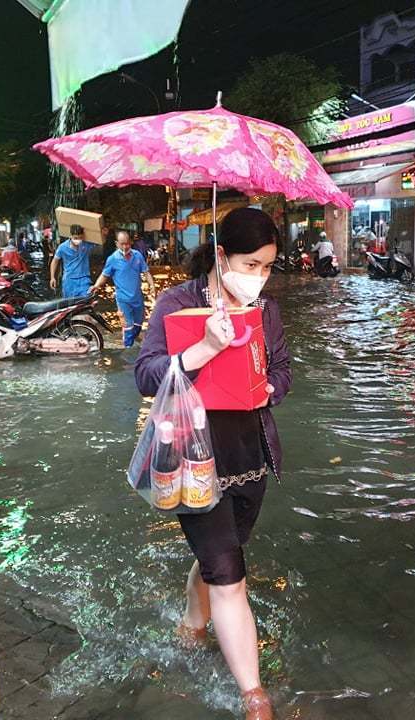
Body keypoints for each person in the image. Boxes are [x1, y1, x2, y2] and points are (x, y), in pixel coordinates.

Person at [133, 208, 291, 720]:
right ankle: (254, 696)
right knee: (230, 575)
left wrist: (270, 386)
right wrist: (204, 347)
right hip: (194, 458)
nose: (259, 277)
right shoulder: (175, 303)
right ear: (222, 256)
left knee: (227, 554)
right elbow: (145, 374)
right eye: (251, 264)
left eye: (268, 267)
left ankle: (192, 621)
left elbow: (283, 369)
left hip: (251, 454)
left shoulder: (264, 311)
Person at [90, 230, 156, 347]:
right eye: (122, 244)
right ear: (117, 244)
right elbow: (104, 275)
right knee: (128, 327)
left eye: (127, 244)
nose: (125, 247)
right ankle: (127, 351)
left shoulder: (138, 256)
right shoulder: (112, 259)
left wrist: (152, 286)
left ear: (130, 243)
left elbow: (146, 272)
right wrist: (96, 286)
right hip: (123, 300)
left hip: (137, 298)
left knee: (138, 326)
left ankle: (130, 342)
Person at [50, 224, 96, 297]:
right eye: (75, 238)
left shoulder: (86, 245)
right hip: (69, 281)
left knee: (86, 301)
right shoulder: (62, 247)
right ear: (70, 236)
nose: (78, 240)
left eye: (80, 238)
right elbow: (55, 261)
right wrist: (52, 277)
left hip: (84, 279)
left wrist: (104, 234)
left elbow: (100, 241)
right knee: (70, 305)